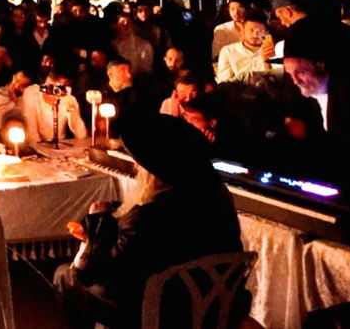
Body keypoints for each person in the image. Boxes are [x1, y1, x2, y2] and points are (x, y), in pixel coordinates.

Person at [54, 114, 245, 328]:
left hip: (161, 311)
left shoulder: (145, 217)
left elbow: (100, 272)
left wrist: (98, 220)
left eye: (140, 166)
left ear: (155, 174)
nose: (137, 170)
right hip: (215, 304)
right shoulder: (218, 196)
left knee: (65, 276)